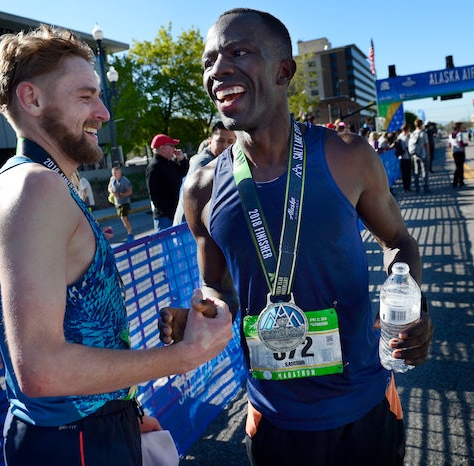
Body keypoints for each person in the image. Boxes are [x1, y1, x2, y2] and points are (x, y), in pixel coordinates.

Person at [160, 9, 433, 465]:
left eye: (239, 52)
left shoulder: (347, 156)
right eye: (208, 62)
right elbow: (218, 286)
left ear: (283, 70)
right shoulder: (200, 188)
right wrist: (202, 313)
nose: (218, 69)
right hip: (274, 418)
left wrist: (410, 301)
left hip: (364, 404)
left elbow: (398, 241)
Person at [0, 25, 233, 465]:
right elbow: (40, 368)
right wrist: (184, 355)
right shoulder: (33, 187)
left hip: (89, 427)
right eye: (84, 96)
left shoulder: (36, 181)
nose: (103, 112)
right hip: (73, 440)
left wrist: (126, 407)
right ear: (32, 99)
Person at [173, 122, 236, 225]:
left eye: (230, 142)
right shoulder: (204, 163)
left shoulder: (220, 159)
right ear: (210, 141)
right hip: (187, 227)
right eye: (220, 141)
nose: (225, 146)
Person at [145, 133, 188, 231]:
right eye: (171, 146)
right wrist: (172, 214)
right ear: (162, 148)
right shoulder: (154, 168)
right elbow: (155, 197)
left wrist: (182, 160)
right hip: (165, 218)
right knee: (169, 245)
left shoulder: (169, 163)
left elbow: (184, 173)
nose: (174, 149)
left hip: (176, 213)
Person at [108, 165, 134, 242]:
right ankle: (129, 231)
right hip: (117, 202)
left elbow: (130, 191)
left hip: (124, 202)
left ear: (120, 173)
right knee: (123, 219)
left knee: (123, 217)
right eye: (113, 173)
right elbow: (109, 187)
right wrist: (112, 192)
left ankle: (130, 234)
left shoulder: (124, 181)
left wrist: (121, 195)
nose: (114, 175)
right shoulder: (112, 179)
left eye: (116, 173)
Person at [409, 118, 431, 193]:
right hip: (423, 154)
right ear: (421, 125)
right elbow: (427, 144)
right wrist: (428, 154)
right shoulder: (423, 134)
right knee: (424, 171)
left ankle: (417, 188)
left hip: (415, 155)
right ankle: (425, 187)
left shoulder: (412, 134)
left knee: (416, 171)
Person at [449, 122, 468, 188]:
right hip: (460, 151)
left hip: (454, 152)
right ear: (459, 127)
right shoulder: (459, 134)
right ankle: (459, 181)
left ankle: (457, 181)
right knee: (460, 167)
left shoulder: (451, 135)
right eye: (461, 126)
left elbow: (449, 144)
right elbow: (460, 143)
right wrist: (465, 144)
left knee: (458, 167)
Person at [396, 124, 413, 192]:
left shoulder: (399, 136)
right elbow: (408, 147)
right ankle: (407, 187)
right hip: (406, 157)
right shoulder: (406, 138)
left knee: (403, 173)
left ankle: (405, 187)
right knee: (408, 173)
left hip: (401, 157)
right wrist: (411, 156)